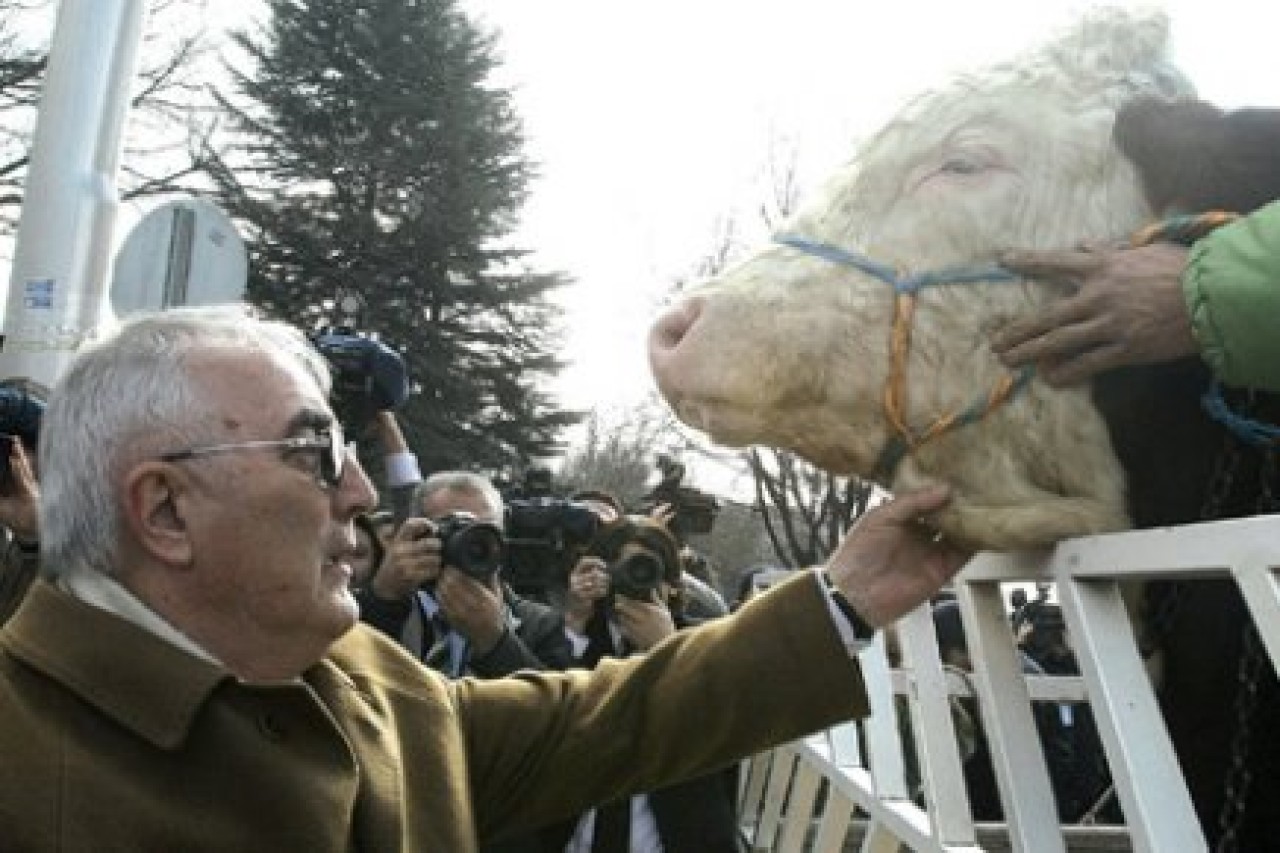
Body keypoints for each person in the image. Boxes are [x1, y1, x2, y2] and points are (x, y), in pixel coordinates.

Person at [0, 305, 968, 850]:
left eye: (347, 448)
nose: (357, 494)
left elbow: (604, 716)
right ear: (165, 510)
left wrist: (843, 596)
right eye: (309, 449)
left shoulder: (373, 689)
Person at [549, 516, 740, 852]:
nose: (634, 584)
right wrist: (574, 624)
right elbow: (544, 722)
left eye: (646, 570)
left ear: (672, 586)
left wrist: (667, 652)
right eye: (620, 572)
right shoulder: (574, 640)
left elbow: (715, 745)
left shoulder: (707, 649)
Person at [358, 470, 574, 678]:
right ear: (418, 530)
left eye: (483, 529)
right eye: (452, 528)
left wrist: (495, 642)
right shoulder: (387, 605)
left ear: (503, 532)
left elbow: (560, 707)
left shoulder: (541, 624)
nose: (469, 541)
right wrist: (382, 600)